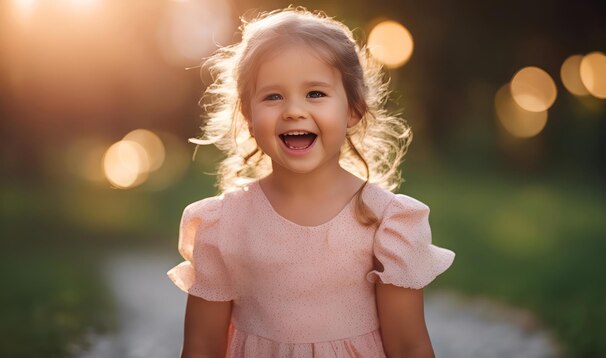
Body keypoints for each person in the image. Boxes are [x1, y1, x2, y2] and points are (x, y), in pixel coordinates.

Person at [167, 7, 455, 358]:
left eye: (315, 94)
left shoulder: (386, 223)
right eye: (273, 96)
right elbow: (201, 346)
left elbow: (408, 346)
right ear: (248, 114)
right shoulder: (222, 226)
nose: (293, 111)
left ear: (353, 108)